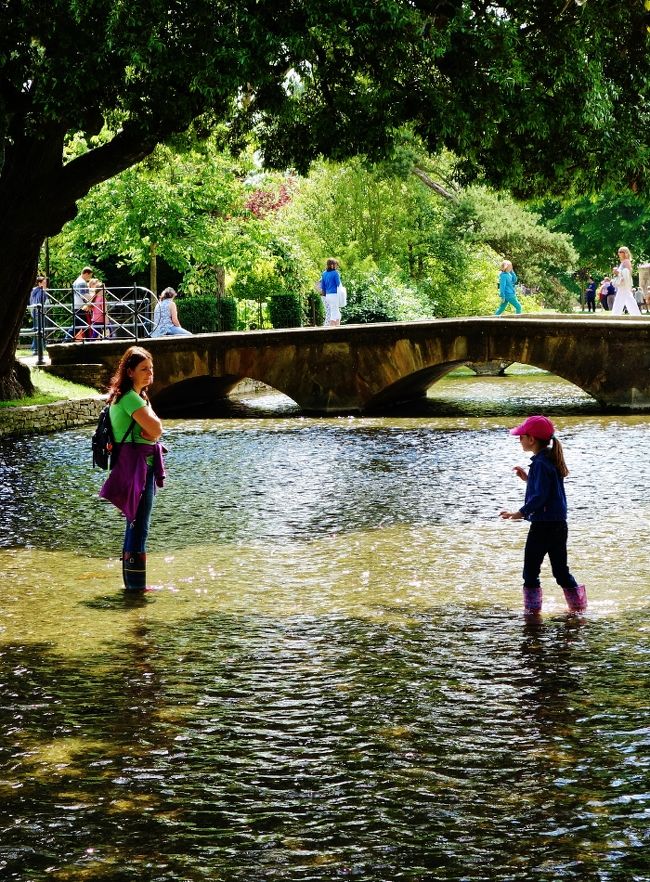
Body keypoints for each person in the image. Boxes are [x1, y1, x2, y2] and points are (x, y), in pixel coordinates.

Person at [499, 415, 587, 616]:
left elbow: (540, 496)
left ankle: (532, 615)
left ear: (531, 439)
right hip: (558, 524)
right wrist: (528, 479)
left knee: (530, 572)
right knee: (560, 572)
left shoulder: (540, 463)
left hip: (542, 527)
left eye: (521, 436)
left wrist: (519, 513)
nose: (519, 439)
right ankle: (579, 609)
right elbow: (548, 491)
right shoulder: (550, 458)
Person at [99, 346, 165, 592]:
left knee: (135, 522)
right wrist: (152, 431)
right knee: (139, 524)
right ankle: (136, 587)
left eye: (151, 368)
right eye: (143, 369)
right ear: (129, 372)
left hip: (136, 464)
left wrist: (152, 430)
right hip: (137, 466)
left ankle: (133, 584)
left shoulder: (136, 396)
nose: (150, 373)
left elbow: (154, 429)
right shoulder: (130, 398)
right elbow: (156, 430)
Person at [611, 246, 641, 316]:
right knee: (628, 299)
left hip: (624, 283)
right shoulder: (623, 262)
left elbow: (628, 272)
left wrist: (618, 272)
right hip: (623, 283)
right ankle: (636, 314)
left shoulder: (626, 261)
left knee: (620, 299)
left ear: (625, 253)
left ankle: (615, 314)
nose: (618, 253)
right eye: (618, 252)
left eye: (620, 252)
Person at [69, 266, 94, 340]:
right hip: (81, 307)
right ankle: (89, 341)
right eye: (89, 276)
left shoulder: (77, 281)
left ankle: (66, 340)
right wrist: (93, 296)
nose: (89, 278)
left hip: (77, 306)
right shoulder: (81, 282)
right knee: (84, 325)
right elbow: (84, 295)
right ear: (86, 273)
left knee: (77, 326)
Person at [319, 258, 342, 327]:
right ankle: (331, 330)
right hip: (334, 295)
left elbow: (323, 286)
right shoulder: (335, 273)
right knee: (334, 313)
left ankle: (338, 327)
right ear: (332, 265)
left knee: (337, 312)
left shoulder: (324, 273)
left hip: (328, 295)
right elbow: (338, 284)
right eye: (336, 265)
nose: (337, 266)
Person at [28, 275, 48, 353]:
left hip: (35, 313)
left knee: (38, 330)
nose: (45, 284)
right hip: (38, 313)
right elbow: (40, 301)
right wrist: (45, 291)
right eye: (44, 282)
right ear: (39, 283)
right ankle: (35, 348)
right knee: (39, 330)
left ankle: (37, 347)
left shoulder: (34, 290)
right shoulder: (40, 291)